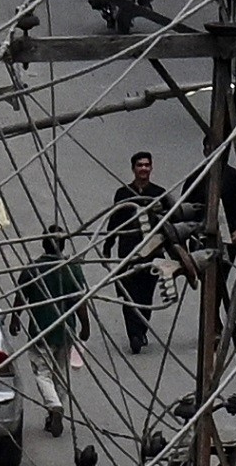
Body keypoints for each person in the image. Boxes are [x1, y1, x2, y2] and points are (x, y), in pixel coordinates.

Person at [16, 227, 91, 435]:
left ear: (43, 244)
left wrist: (15, 319)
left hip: (41, 331)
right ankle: (54, 411)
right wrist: (86, 326)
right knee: (61, 374)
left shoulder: (33, 269)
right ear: (64, 245)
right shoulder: (72, 269)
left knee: (43, 373)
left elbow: (21, 296)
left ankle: (54, 407)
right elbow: (80, 300)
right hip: (66, 332)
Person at [103, 153, 171, 354]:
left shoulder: (159, 194)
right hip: (128, 253)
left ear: (151, 168)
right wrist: (108, 244)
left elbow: (170, 224)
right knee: (127, 294)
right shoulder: (123, 194)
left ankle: (141, 330)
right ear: (133, 169)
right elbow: (114, 221)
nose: (143, 169)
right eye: (140, 165)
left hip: (152, 254)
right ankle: (134, 334)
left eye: (146, 165)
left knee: (145, 296)